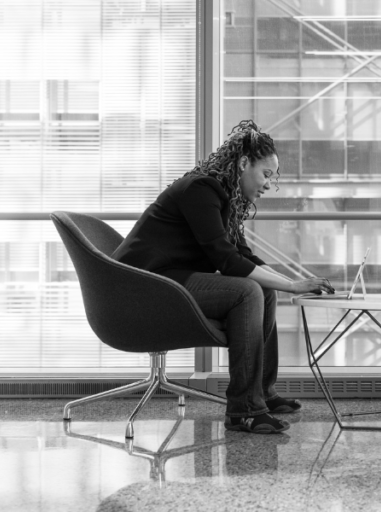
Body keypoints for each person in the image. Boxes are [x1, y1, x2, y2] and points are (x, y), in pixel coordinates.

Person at [113, 120, 335, 434]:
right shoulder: (201, 189)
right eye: (266, 174)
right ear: (244, 163)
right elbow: (225, 260)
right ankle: (244, 410)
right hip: (142, 286)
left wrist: (292, 281)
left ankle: (261, 394)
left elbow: (242, 255)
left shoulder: (223, 195)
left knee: (262, 289)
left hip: (169, 280)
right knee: (248, 291)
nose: (269, 185)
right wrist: (292, 285)